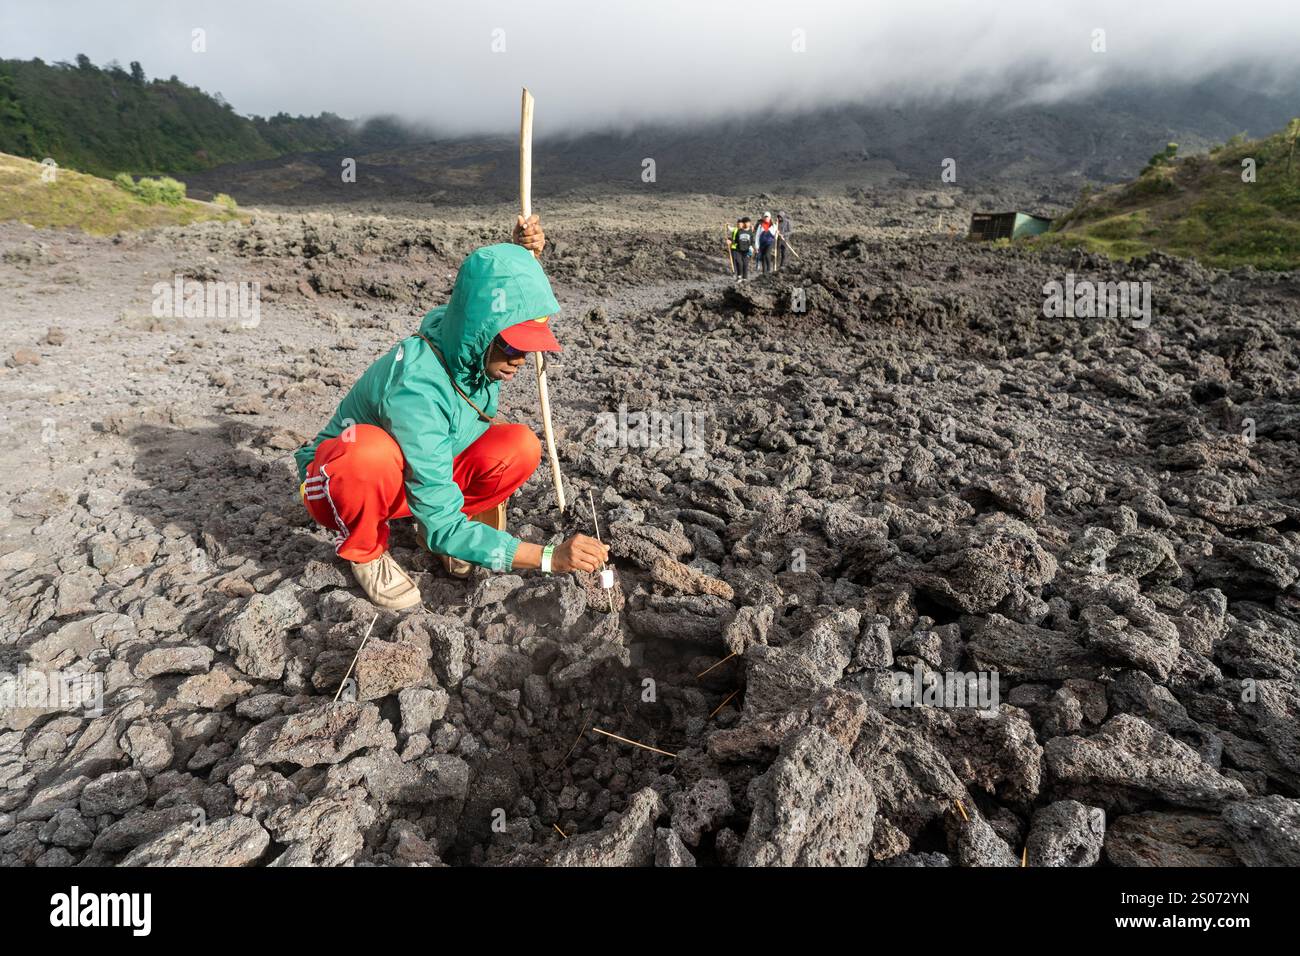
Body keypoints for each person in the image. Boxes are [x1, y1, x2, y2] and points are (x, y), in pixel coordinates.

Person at [294, 216, 609, 610]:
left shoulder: (465, 338)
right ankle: (367, 551)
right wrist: (549, 557)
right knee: (368, 453)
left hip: (414, 474)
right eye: (512, 347)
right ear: (482, 334)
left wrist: (521, 257)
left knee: (520, 446)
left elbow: (485, 294)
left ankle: (446, 528)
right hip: (340, 484)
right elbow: (485, 315)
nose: (521, 360)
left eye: (529, 348)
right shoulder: (416, 389)